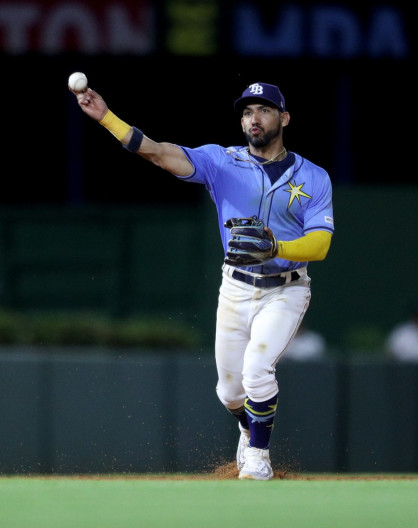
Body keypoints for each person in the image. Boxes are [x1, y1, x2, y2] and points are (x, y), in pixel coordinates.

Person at [71, 80, 334, 480]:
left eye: (262, 110)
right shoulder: (220, 161)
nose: (253, 118)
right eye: (246, 111)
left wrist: (276, 247)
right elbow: (158, 153)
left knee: (258, 370)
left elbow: (320, 245)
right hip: (236, 286)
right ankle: (249, 428)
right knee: (229, 392)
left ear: (284, 118)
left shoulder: (313, 177)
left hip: (286, 288)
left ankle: (259, 459)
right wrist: (107, 118)